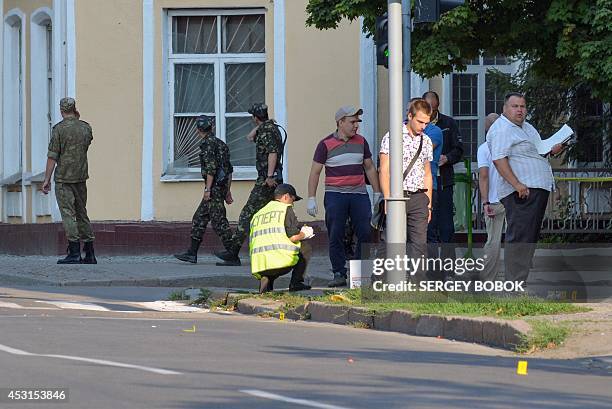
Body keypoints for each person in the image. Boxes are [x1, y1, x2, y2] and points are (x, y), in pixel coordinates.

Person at [487, 93, 564, 282]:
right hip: (520, 191)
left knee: (528, 238)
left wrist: (551, 150)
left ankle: (519, 283)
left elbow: (536, 153)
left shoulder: (527, 128)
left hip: (535, 188)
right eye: (515, 106)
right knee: (520, 237)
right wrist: (517, 184)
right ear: (504, 109)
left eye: (523, 106)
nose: (520, 110)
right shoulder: (502, 129)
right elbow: (498, 159)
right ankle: (514, 286)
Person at [307, 106, 382, 287]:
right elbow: (315, 172)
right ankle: (339, 273)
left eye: (357, 122)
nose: (356, 125)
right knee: (336, 234)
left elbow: (370, 167)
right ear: (340, 122)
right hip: (335, 194)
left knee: (365, 232)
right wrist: (311, 198)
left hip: (358, 194)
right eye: (352, 121)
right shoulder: (325, 144)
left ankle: (360, 275)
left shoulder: (361, 142)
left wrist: (378, 192)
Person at [215, 103, 284, 266]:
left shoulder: (267, 131)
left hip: (267, 180)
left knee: (247, 214)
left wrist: (269, 176)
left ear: (255, 117)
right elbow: (250, 137)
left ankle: (233, 253)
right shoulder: (269, 128)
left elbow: (273, 153)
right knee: (272, 216)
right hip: (270, 179)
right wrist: (264, 123)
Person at [379, 99, 434, 276]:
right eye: (420, 121)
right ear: (409, 116)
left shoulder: (425, 141)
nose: (423, 126)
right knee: (393, 243)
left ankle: (417, 284)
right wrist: (388, 198)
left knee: (419, 244)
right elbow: (384, 170)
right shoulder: (392, 136)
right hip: (397, 195)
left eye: (427, 123)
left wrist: (429, 203)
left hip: (419, 196)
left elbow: (427, 173)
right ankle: (382, 281)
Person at [42, 98, 96, 264]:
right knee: (82, 213)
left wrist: (46, 180)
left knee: (68, 215)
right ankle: (90, 253)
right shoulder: (86, 127)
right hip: (81, 177)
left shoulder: (59, 129)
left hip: (64, 178)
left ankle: (74, 253)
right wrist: (77, 118)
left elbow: (53, 156)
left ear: (61, 110)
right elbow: (87, 142)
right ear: (75, 109)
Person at [174, 115, 234, 264]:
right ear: (211, 127)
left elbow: (211, 170)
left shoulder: (207, 145)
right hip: (220, 188)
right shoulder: (221, 144)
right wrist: (227, 190)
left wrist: (207, 190)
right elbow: (229, 170)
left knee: (219, 222)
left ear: (197, 130)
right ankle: (192, 253)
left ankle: (233, 254)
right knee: (199, 218)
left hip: (213, 190)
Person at [422, 91, 463, 264]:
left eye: (434, 107)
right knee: (428, 226)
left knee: (446, 226)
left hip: (444, 180)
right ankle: (430, 267)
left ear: (438, 106)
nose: (431, 112)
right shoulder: (416, 125)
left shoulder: (448, 123)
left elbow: (459, 148)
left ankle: (448, 267)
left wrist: (447, 158)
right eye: (427, 108)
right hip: (425, 183)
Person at [250, 184, 313, 293]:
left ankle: (266, 284)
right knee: (305, 247)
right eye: (292, 200)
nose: (292, 204)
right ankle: (296, 283)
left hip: (260, 265)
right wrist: (305, 233)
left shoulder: (258, 214)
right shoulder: (285, 209)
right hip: (280, 262)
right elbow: (293, 237)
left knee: (270, 257)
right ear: (286, 197)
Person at [477, 113, 503, 281]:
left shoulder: (484, 149)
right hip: (513, 199)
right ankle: (516, 278)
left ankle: (488, 278)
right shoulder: (509, 146)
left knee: (493, 241)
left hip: (493, 201)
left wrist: (485, 201)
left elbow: (484, 176)